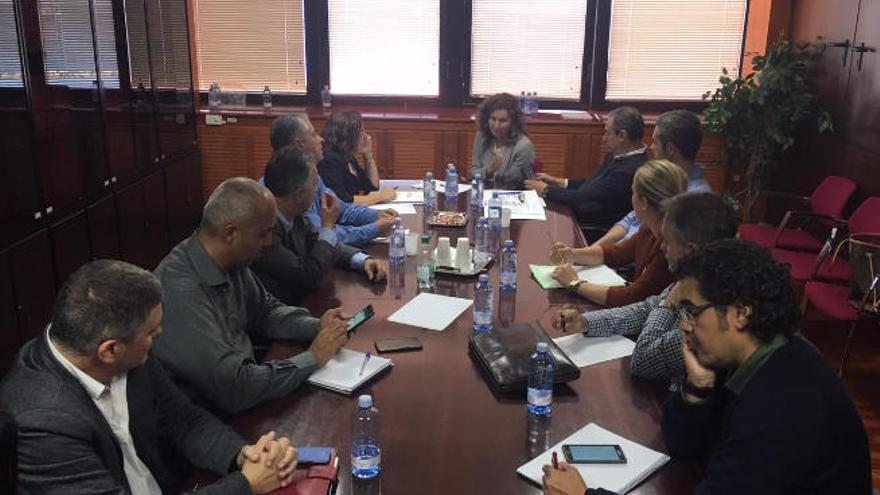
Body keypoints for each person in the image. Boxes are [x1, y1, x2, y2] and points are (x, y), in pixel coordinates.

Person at [543, 240, 872, 494]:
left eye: (692, 312)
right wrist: (697, 388)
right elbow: (681, 444)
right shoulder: (746, 355)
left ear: (740, 312)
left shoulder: (784, 406)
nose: (685, 326)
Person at [0, 260, 300, 494]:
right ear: (110, 350)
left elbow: (183, 419)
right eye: (152, 334)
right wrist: (246, 485)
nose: (158, 338)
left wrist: (243, 456)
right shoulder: (39, 423)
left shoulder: (120, 351)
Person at [153, 177, 352, 415]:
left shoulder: (230, 260)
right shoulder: (181, 290)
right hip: (211, 416)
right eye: (263, 234)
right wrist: (313, 358)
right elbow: (234, 389)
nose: (268, 243)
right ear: (230, 234)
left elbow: (267, 312)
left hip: (244, 392)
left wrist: (318, 327)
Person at [553, 192, 738, 384]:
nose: (662, 248)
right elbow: (643, 310)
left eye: (667, 241)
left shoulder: (710, 312)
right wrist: (586, 322)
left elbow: (644, 361)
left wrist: (668, 306)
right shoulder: (693, 278)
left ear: (690, 251)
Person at [252, 145, 387, 304]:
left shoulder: (294, 215)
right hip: (278, 314)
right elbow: (308, 276)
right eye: (315, 185)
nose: (320, 192)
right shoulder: (264, 232)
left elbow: (324, 244)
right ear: (299, 195)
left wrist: (362, 260)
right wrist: (328, 226)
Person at [549, 159, 686, 307]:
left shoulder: (669, 248)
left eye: (633, 192)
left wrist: (575, 283)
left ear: (644, 203)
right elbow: (617, 253)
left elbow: (632, 298)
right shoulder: (650, 228)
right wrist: (572, 254)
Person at [270, 114, 395, 247]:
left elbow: (342, 209)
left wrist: (377, 215)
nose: (321, 139)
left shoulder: (311, 175)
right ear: (298, 144)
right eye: (314, 135)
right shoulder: (289, 187)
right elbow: (324, 236)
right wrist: (376, 228)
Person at [594, 109, 712, 246]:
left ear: (670, 149)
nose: (651, 147)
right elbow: (630, 220)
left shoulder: (695, 201)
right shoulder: (659, 179)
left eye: (655, 142)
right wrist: (592, 250)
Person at [524, 107, 647, 238]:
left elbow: (584, 198)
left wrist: (545, 190)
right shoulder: (620, 155)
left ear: (622, 135)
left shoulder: (630, 171)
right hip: (583, 217)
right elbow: (594, 185)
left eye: (607, 133)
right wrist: (559, 182)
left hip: (594, 228)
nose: (604, 139)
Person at [317, 111, 396, 205]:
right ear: (348, 136)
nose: (366, 136)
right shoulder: (330, 160)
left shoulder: (348, 157)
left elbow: (372, 186)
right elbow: (342, 200)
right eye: (361, 131)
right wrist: (380, 196)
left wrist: (368, 155)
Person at [470, 92, 536, 190]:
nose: (496, 126)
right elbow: (473, 172)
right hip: (482, 194)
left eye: (502, 121)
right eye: (493, 119)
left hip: (513, 197)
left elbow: (512, 182)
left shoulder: (524, 146)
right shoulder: (482, 137)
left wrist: (486, 173)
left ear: (513, 122)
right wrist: (488, 171)